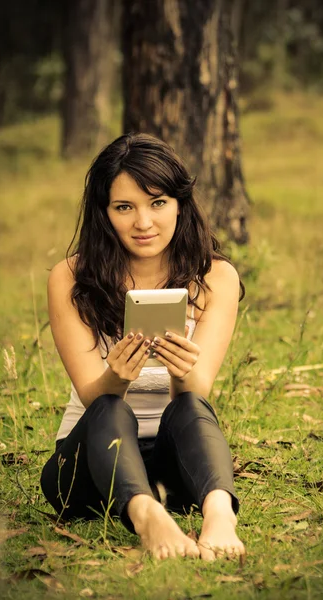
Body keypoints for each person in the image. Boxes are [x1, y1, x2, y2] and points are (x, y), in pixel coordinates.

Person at [41, 132, 246, 562]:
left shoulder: (216, 278)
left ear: (179, 204)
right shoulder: (70, 277)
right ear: (103, 212)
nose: (144, 223)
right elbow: (90, 396)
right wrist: (115, 376)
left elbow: (195, 394)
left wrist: (180, 369)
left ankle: (219, 512)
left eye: (158, 203)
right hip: (89, 463)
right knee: (110, 407)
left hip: (176, 463)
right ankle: (147, 514)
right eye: (124, 207)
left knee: (191, 407)